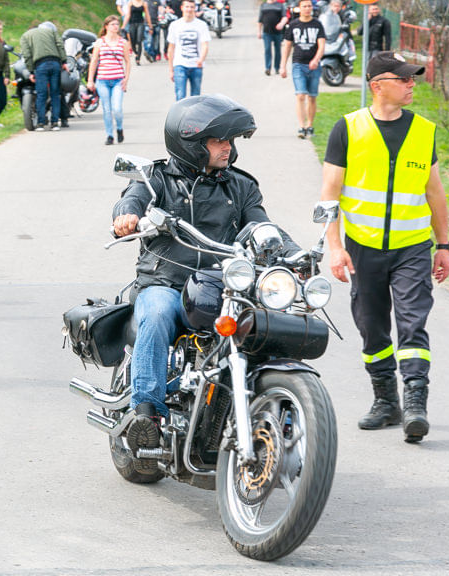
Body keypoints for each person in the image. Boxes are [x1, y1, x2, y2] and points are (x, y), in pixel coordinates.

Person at [111, 95, 301, 464]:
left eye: (230, 141)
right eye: (219, 141)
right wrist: (127, 218)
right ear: (192, 143)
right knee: (158, 314)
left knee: (267, 324)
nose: (228, 148)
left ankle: (281, 408)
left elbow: (261, 225)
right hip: (166, 282)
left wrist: (294, 254)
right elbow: (129, 201)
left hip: (221, 286)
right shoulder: (156, 179)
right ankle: (145, 414)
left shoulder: (240, 187)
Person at [318, 51, 449, 444]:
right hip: (363, 248)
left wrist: (443, 245)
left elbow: (435, 193)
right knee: (372, 326)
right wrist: (334, 247)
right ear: (378, 86)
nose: (412, 84)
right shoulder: (348, 129)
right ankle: (386, 401)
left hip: (412, 247)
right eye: (404, 79)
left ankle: (415, 402)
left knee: (413, 323)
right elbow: (329, 195)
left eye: (413, 79)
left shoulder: (423, 131)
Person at [280, 0, 325, 139]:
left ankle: (309, 125)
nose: (307, 8)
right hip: (298, 64)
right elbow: (287, 46)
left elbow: (322, 45)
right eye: (304, 6)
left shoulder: (317, 24)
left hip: (314, 66)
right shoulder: (293, 25)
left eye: (309, 6)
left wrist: (316, 60)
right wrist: (283, 66)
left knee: (312, 97)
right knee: (300, 95)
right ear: (299, 8)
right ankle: (301, 126)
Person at [87, 15, 133, 145]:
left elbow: (128, 62)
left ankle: (119, 128)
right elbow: (94, 61)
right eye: (112, 24)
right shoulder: (99, 42)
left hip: (118, 80)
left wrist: (126, 79)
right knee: (107, 109)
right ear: (106, 26)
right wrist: (90, 80)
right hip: (102, 81)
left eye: (117, 24)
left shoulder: (123, 42)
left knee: (117, 108)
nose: (115, 27)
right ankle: (109, 135)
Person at [19, 21, 67, 131]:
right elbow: (60, 45)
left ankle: (41, 123)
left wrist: (31, 71)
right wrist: (64, 61)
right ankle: (55, 123)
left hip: (41, 65)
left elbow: (27, 55)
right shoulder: (50, 31)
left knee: (42, 94)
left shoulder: (25, 36)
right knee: (55, 93)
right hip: (55, 63)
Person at [167, 0, 211, 100]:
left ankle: (194, 116)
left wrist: (201, 59)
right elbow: (171, 48)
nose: (189, 9)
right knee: (180, 95)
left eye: (192, 7)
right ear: (182, 8)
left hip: (196, 65)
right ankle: (180, 116)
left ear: (195, 8)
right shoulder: (175, 25)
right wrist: (171, 70)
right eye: (187, 7)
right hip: (180, 64)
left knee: (195, 97)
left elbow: (205, 45)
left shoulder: (201, 25)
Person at [258, 0, 288, 76]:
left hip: (277, 32)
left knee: (277, 50)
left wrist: (281, 23)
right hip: (266, 32)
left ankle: (277, 68)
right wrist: (259, 31)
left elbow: (285, 17)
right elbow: (260, 20)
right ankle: (268, 68)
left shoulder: (280, 5)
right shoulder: (263, 5)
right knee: (267, 49)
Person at [123, 0, 152, 65]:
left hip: (140, 23)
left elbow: (147, 15)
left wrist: (150, 26)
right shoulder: (130, 3)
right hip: (132, 24)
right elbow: (128, 15)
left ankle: (138, 58)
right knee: (132, 41)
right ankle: (136, 53)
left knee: (139, 40)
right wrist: (123, 25)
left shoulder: (144, 3)